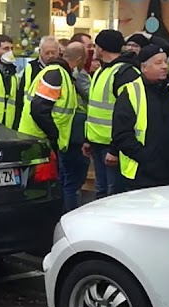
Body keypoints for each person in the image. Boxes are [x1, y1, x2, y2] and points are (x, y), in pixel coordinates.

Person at [20, 41, 86, 211]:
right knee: (37, 192)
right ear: (79, 60)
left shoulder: (62, 74)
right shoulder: (56, 74)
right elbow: (39, 108)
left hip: (43, 141)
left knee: (47, 190)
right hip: (38, 141)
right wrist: (54, 135)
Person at [112, 43, 169, 193]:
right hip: (142, 174)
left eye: (166, 61)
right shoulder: (131, 92)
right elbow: (121, 134)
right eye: (158, 63)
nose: (165, 66)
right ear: (144, 67)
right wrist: (147, 158)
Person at [83, 30, 141, 198]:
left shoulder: (124, 73)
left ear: (101, 48)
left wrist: (115, 149)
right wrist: (88, 139)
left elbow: (127, 115)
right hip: (98, 143)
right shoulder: (102, 71)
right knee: (102, 192)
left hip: (113, 146)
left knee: (114, 195)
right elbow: (94, 110)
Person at [13, 37, 63, 133]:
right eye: (47, 53)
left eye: (53, 53)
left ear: (58, 52)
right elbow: (20, 98)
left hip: (52, 123)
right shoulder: (31, 68)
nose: (50, 56)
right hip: (29, 124)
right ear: (40, 52)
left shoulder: (61, 70)